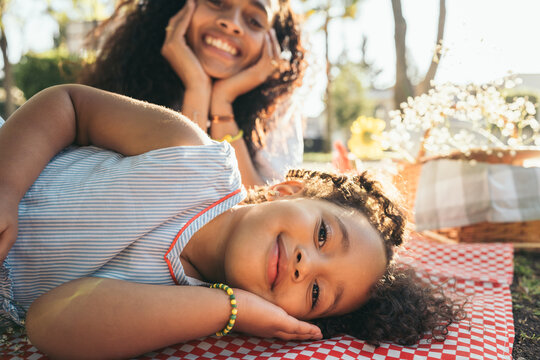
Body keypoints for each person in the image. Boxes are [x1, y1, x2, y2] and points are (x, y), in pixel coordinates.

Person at [0, 85, 464, 359]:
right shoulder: (190, 153)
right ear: (289, 189)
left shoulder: (180, 305)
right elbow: (68, 106)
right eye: (323, 234)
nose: (306, 265)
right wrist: (6, 186)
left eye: (317, 293)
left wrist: (228, 309)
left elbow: (47, 325)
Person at [78, 0, 306, 186]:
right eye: (217, 2)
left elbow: (259, 204)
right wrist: (197, 88)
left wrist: (222, 102)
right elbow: (174, 190)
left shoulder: (277, 108)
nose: (232, 23)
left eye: (255, 21)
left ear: (271, 41)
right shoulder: (126, 77)